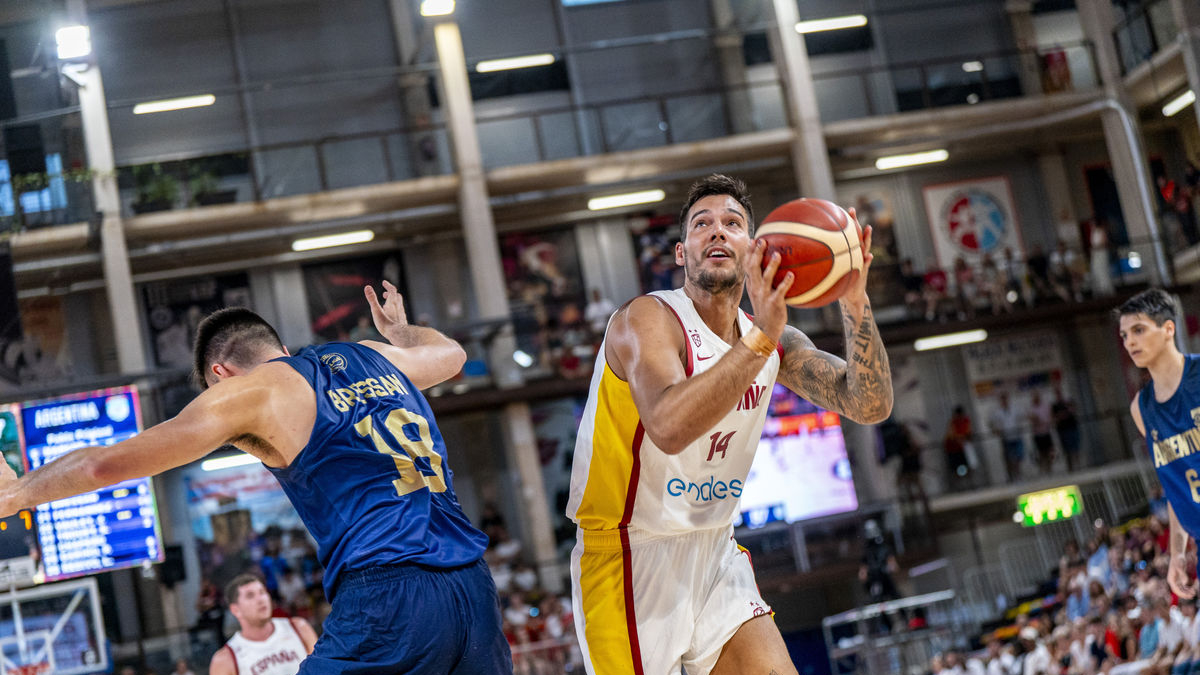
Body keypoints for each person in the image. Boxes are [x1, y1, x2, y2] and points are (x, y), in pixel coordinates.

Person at [0, 281, 512, 675]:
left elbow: (102, 465)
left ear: (220, 375)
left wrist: (19, 492)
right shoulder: (374, 356)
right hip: (472, 586)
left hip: (390, 597)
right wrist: (401, 332)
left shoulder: (255, 392)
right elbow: (451, 355)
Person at [566, 174, 893, 675]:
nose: (717, 231)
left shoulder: (773, 339)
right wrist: (762, 337)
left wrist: (852, 299)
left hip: (715, 547)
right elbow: (669, 425)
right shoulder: (646, 320)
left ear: (757, 250)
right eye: (702, 224)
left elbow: (869, 404)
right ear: (681, 253)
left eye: (733, 223)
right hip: (628, 558)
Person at [1120, 288, 1200, 603]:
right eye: (1125, 335)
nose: (1130, 342)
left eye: (1139, 330)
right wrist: (1178, 553)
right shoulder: (1142, 407)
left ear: (1169, 329)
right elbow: (1175, 483)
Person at [209, 574, 317, 675]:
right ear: (235, 609)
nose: (261, 599)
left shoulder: (298, 627)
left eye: (262, 592)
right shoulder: (225, 659)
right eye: (250, 596)